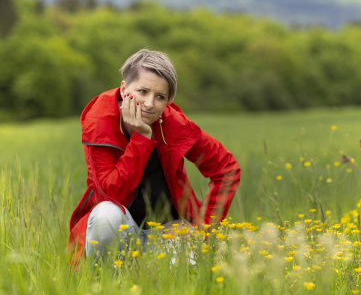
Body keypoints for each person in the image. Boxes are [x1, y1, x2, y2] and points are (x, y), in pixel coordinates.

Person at [68, 49, 241, 263]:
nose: (150, 103)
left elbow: (227, 169)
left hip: (169, 231)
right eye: (142, 91)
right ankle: (103, 282)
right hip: (122, 231)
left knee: (186, 275)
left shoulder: (174, 124)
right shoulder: (101, 122)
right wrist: (142, 138)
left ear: (168, 101)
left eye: (160, 97)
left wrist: (201, 229)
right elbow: (112, 194)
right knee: (106, 214)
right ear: (124, 88)